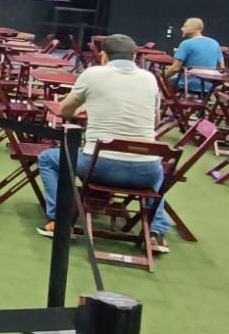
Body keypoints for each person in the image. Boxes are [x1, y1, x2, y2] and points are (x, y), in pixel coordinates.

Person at [35, 34, 173, 251]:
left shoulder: (93, 75)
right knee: (157, 176)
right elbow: (155, 122)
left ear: (103, 56)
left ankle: (60, 220)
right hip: (145, 171)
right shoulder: (149, 79)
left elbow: (64, 110)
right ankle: (156, 232)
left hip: (99, 167)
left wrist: (86, 108)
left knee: (47, 159)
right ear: (134, 57)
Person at [165, 18, 224, 94]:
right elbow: (221, 67)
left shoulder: (186, 44)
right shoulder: (215, 43)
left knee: (165, 82)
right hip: (209, 86)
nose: (182, 28)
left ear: (193, 28)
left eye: (185, 26)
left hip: (187, 84)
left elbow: (175, 68)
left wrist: (163, 77)